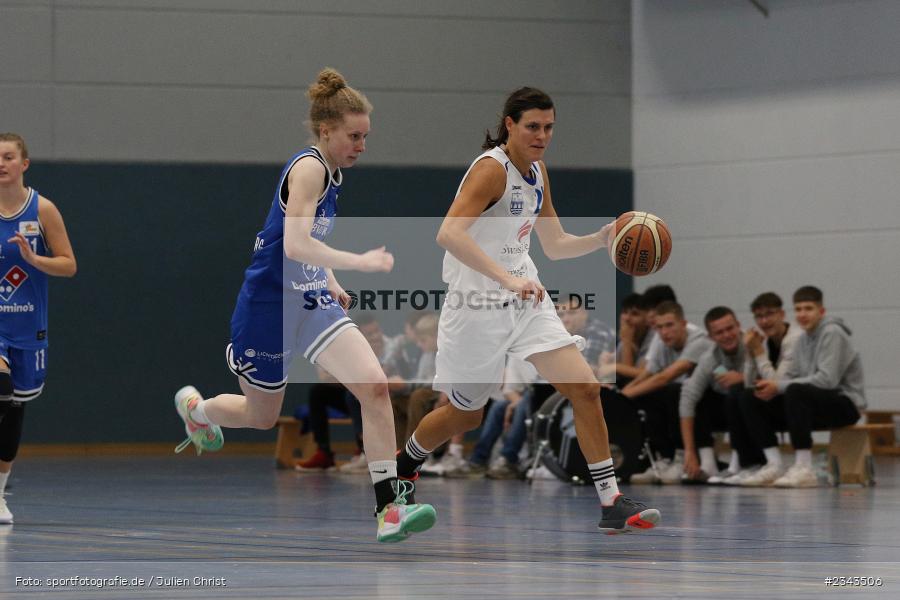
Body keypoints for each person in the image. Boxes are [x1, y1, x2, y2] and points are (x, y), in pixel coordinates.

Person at [172, 69, 434, 542]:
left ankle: (389, 508)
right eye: (354, 136)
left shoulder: (333, 175)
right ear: (326, 130)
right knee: (262, 416)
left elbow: (309, 239)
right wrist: (358, 261)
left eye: (365, 137)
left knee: (373, 387)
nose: (361, 145)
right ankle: (199, 411)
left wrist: (330, 278)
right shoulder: (309, 168)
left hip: (311, 301)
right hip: (269, 306)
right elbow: (293, 245)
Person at [395, 87, 660, 533]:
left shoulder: (538, 172)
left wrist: (600, 239)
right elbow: (448, 234)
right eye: (533, 126)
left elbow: (553, 246)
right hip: (475, 306)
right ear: (510, 125)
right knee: (466, 414)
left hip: (525, 301)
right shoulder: (490, 171)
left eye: (549, 127)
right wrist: (505, 277)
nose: (542, 135)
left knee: (587, 389)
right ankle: (404, 466)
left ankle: (611, 500)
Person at [0, 133, 77, 524]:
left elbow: (69, 264)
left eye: (8, 156)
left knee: (15, 409)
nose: (1, 163)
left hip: (29, 325)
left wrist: (34, 258)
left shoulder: (42, 209)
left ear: (23, 163)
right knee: (0, 389)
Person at [748, 286, 865, 488]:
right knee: (749, 397)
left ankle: (804, 467)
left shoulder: (833, 333)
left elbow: (827, 381)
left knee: (794, 390)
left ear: (822, 311)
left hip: (846, 404)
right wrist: (769, 385)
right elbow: (788, 377)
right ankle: (773, 463)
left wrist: (780, 386)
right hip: (812, 403)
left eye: (808, 308)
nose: (802, 314)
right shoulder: (802, 338)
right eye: (799, 309)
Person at [621, 301, 714, 484]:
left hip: (712, 401)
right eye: (660, 327)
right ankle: (663, 458)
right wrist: (621, 395)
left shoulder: (699, 341)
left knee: (673, 390)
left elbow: (664, 377)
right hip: (684, 400)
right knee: (646, 394)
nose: (664, 332)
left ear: (683, 323)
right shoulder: (662, 342)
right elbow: (647, 374)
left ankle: (681, 457)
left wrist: (622, 397)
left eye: (669, 325)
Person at [677, 307, 763, 483]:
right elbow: (688, 398)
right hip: (727, 410)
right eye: (719, 332)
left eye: (730, 329)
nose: (726, 335)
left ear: (739, 326)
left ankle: (742, 463)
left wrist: (742, 378)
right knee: (694, 394)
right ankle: (707, 464)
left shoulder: (754, 343)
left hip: (760, 406)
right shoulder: (710, 357)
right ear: (711, 337)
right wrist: (689, 451)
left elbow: (772, 377)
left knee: (738, 392)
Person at [728, 292, 803, 486]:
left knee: (747, 397)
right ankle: (749, 464)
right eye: (759, 316)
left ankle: (774, 463)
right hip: (784, 400)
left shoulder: (795, 339)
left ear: (782, 314)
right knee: (737, 395)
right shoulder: (765, 340)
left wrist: (758, 352)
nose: (764, 321)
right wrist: (751, 352)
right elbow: (749, 382)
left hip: (800, 400)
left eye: (769, 314)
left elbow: (776, 384)